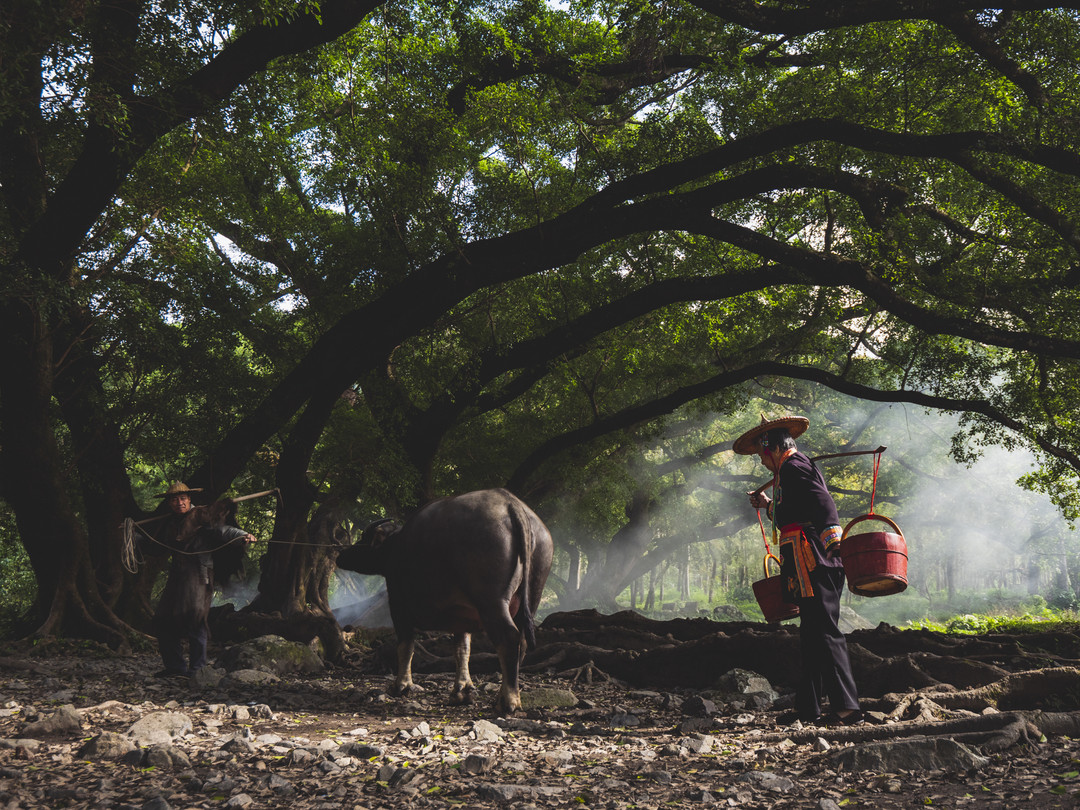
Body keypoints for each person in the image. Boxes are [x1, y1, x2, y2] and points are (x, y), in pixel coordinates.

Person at [734, 416, 862, 726]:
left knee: (826, 633)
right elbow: (790, 514)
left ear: (773, 448)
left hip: (816, 559)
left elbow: (824, 505)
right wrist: (767, 504)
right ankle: (809, 708)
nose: (763, 463)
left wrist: (833, 544)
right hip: (804, 562)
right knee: (811, 634)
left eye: (763, 456)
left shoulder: (794, 466)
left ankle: (847, 709)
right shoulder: (788, 473)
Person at [149, 481, 256, 679]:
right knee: (163, 619)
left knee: (195, 618)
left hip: (199, 574)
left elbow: (223, 531)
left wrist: (243, 535)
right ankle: (175, 667)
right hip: (178, 575)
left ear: (189, 500)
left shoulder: (200, 517)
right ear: (170, 503)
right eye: (174, 499)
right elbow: (155, 544)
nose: (179, 502)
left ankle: (197, 668)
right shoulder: (171, 523)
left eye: (182, 498)